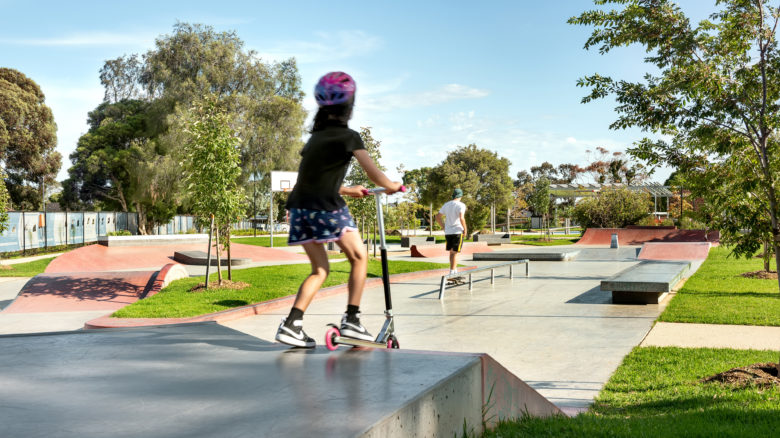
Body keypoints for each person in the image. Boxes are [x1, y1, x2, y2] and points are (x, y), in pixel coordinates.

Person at [275, 71, 402, 348]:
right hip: (325, 207)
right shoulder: (349, 136)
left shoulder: (314, 140)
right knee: (359, 257)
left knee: (320, 270)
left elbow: (313, 181)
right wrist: (392, 185)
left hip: (299, 209)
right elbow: (374, 174)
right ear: (350, 106)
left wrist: (347, 189)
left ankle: (292, 325)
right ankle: (353, 320)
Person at [435, 188, 468, 277]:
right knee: (454, 253)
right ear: (461, 196)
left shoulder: (446, 205)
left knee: (451, 252)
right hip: (457, 231)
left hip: (448, 232)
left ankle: (453, 270)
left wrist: (443, 227)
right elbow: (461, 218)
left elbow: (437, 217)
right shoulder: (461, 205)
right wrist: (465, 229)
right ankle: (452, 272)